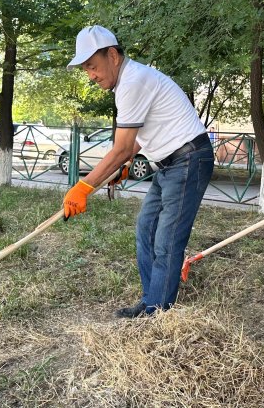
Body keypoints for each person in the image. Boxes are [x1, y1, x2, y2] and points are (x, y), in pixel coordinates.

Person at [62, 25, 214, 318]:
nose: (91, 75)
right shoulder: (129, 82)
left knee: (167, 240)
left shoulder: (133, 81)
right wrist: (124, 166)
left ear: (113, 56)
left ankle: (157, 313)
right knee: (147, 228)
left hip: (188, 160)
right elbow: (135, 142)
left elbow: (120, 147)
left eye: (93, 66)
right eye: (86, 70)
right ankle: (150, 301)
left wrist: (85, 187)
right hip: (170, 164)